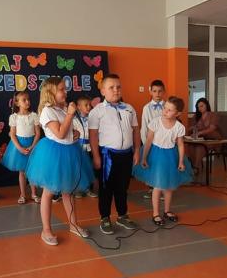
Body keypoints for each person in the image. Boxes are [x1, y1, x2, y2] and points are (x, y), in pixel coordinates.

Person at [25, 78, 92, 245]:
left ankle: (73, 225)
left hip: (70, 151)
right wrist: (69, 114)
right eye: (61, 89)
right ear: (50, 93)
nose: (65, 92)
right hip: (54, 155)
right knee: (48, 192)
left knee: (68, 191)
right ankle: (46, 230)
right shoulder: (47, 111)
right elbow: (60, 134)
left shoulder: (62, 108)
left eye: (64, 88)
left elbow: (69, 131)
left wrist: (76, 133)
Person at [88, 74, 140, 235]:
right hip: (107, 156)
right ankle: (105, 217)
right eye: (111, 87)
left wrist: (137, 151)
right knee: (106, 188)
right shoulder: (97, 111)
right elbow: (93, 136)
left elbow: (136, 131)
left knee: (122, 187)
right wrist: (96, 156)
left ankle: (122, 215)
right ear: (103, 91)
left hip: (126, 155)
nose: (116, 90)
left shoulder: (129, 108)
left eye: (118, 87)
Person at [133, 96, 192, 225]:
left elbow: (180, 145)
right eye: (165, 108)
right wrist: (144, 157)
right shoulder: (155, 122)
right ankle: (155, 213)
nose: (165, 111)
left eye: (169, 110)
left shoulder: (179, 127)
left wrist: (181, 161)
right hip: (156, 156)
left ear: (177, 113)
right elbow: (148, 141)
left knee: (169, 186)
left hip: (170, 156)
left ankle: (167, 211)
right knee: (158, 186)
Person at [1, 91, 40, 204]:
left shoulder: (34, 116)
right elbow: (13, 135)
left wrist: (32, 146)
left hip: (32, 145)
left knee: (32, 170)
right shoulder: (14, 117)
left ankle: (34, 194)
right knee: (22, 172)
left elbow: (38, 133)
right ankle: (23, 194)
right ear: (17, 103)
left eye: (28, 99)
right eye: (24, 100)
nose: (27, 102)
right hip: (18, 146)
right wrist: (20, 148)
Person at [141, 80, 166, 199]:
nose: (157, 94)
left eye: (160, 91)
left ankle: (162, 189)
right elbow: (144, 127)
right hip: (151, 143)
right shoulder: (146, 108)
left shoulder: (168, 106)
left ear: (164, 92)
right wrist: (146, 143)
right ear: (150, 92)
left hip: (165, 143)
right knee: (152, 165)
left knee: (163, 166)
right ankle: (152, 188)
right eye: (155, 91)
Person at [71, 96, 98, 199]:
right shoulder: (74, 120)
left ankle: (88, 189)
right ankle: (78, 190)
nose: (88, 107)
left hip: (90, 147)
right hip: (79, 148)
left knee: (89, 168)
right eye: (85, 105)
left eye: (89, 105)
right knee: (79, 169)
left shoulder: (93, 119)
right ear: (78, 107)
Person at [188, 97, 222, 175]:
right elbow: (190, 128)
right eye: (198, 107)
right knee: (191, 146)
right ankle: (194, 166)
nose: (200, 108)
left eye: (202, 106)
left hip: (213, 139)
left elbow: (212, 129)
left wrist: (200, 133)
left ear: (207, 105)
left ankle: (196, 167)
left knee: (200, 147)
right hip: (200, 139)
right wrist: (193, 128)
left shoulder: (213, 115)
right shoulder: (196, 116)